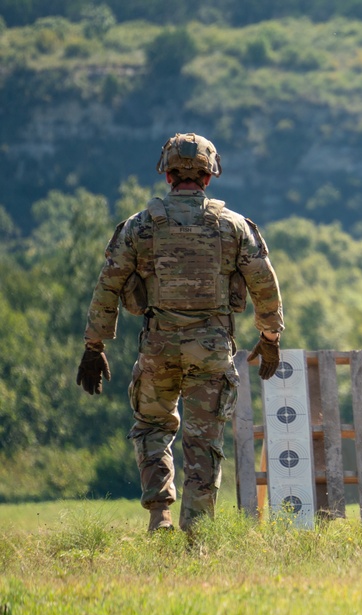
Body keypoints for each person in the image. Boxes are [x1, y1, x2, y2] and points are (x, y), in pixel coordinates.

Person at [76, 132, 284, 534]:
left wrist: (94, 344)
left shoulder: (140, 227)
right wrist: (270, 337)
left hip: (159, 347)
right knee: (204, 442)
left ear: (167, 174)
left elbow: (109, 285)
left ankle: (160, 515)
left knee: (153, 428)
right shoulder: (233, 227)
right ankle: (197, 534)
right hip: (211, 350)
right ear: (209, 177)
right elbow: (264, 284)